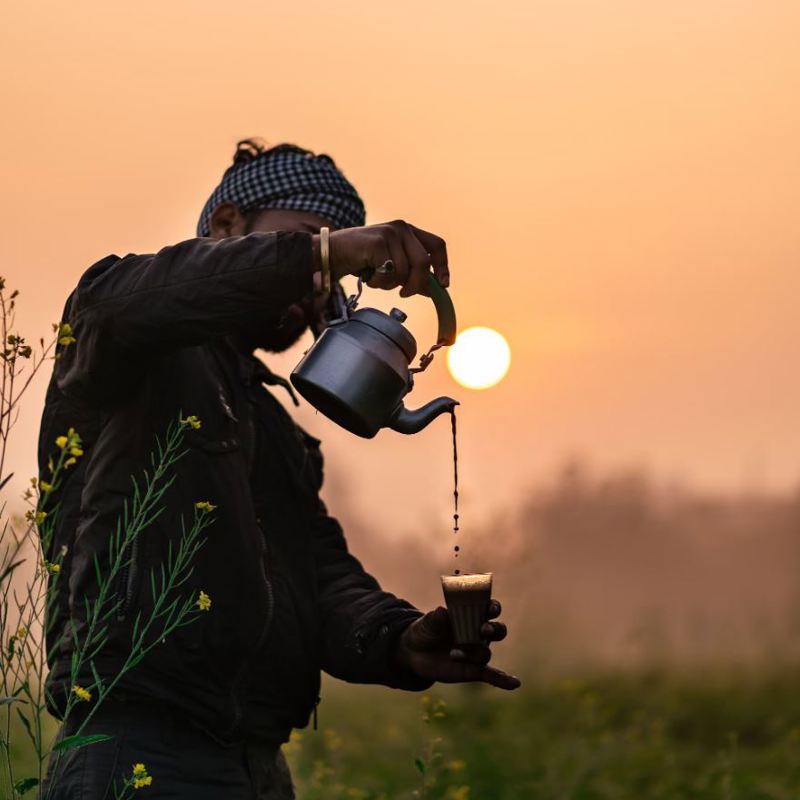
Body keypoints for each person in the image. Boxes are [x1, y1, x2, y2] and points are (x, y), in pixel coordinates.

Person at [37, 140, 520, 799]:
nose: (314, 288)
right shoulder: (134, 342)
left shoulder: (274, 429)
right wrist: (331, 253)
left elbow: (316, 575)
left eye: (327, 266)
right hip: (135, 751)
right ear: (227, 225)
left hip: (256, 767)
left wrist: (397, 640)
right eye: (304, 244)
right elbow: (120, 303)